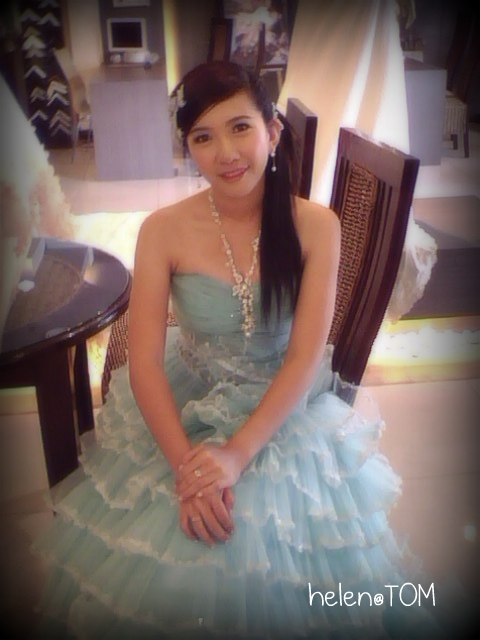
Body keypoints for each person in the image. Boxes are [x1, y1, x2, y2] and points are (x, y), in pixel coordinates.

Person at [33, 61, 453, 639]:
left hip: (283, 407)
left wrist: (234, 455)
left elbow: (305, 357)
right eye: (203, 137)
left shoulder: (317, 227)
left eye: (240, 128)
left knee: (255, 539)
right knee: (172, 544)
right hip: (190, 397)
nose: (226, 154)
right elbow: (144, 362)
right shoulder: (162, 229)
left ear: (272, 132)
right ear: (187, 147)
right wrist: (189, 471)